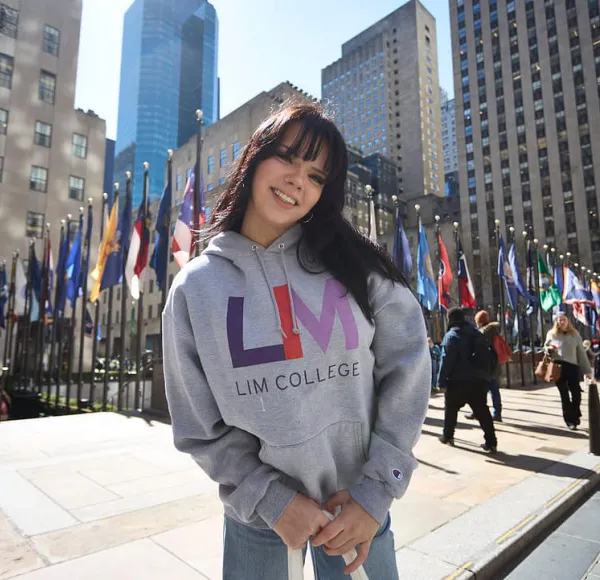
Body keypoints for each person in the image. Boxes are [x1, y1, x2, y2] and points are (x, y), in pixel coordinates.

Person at [162, 102, 431, 580]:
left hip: (356, 509)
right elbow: (197, 425)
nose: (296, 181)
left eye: (316, 175)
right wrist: (269, 497)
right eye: (286, 158)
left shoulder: (356, 268)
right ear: (254, 158)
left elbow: (408, 368)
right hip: (260, 517)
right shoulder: (195, 289)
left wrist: (376, 494)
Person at [437, 307, 498, 453]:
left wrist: (441, 381)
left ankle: (448, 436)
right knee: (482, 411)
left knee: (451, 409)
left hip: (457, 380)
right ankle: (491, 442)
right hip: (477, 380)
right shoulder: (476, 333)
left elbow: (446, 360)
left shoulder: (451, 336)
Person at [544, 313, 592, 430]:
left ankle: (575, 414)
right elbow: (545, 348)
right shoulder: (551, 334)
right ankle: (570, 420)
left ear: (568, 321)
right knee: (564, 394)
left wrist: (587, 371)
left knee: (576, 393)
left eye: (564, 320)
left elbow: (581, 354)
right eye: (559, 320)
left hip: (572, 367)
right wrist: (549, 349)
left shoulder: (575, 335)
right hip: (558, 367)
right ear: (557, 322)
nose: (562, 322)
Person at [471, 310, 503, 421]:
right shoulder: (494, 331)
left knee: (478, 390)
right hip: (494, 365)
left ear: (479, 321)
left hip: (484, 366)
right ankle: (497, 413)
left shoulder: (482, 333)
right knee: (494, 390)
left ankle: (477, 411)